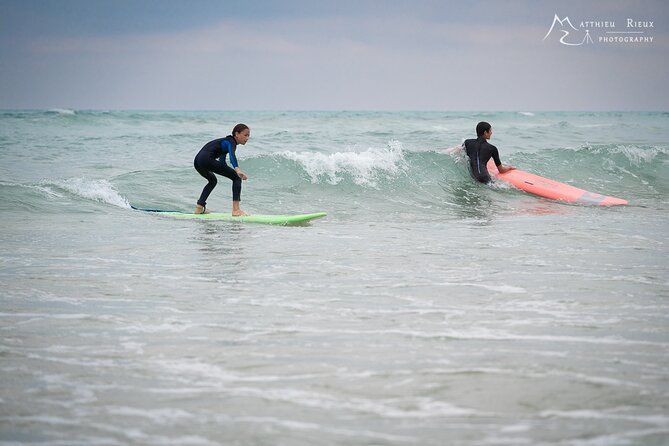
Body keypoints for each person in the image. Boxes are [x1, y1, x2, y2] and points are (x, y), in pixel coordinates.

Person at [194, 124, 250, 215]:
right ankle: (236, 210)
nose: (247, 138)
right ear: (237, 134)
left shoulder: (224, 142)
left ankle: (199, 207)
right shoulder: (231, 142)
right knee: (236, 177)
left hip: (198, 161)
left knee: (212, 181)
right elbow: (232, 155)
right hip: (206, 159)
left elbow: (222, 162)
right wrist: (237, 170)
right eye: (245, 135)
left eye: (248, 136)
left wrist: (227, 170)